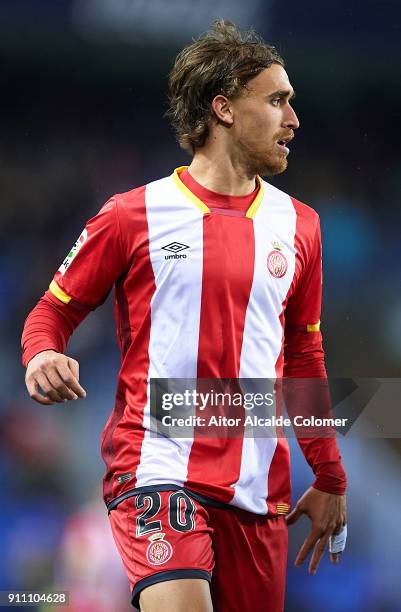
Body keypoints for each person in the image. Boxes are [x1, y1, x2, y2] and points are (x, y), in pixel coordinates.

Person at [22, 20, 347, 612]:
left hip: (256, 491)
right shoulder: (132, 214)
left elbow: (304, 357)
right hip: (156, 469)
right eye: (277, 101)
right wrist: (42, 351)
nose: (294, 120)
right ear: (223, 108)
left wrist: (328, 475)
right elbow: (50, 312)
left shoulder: (301, 225)